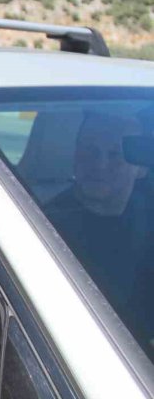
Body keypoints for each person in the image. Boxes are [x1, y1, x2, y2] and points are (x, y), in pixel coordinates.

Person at [45, 111, 152, 350]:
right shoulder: (45, 229)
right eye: (88, 151)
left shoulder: (147, 214)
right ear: (74, 155)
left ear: (141, 168)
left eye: (115, 154)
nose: (99, 164)